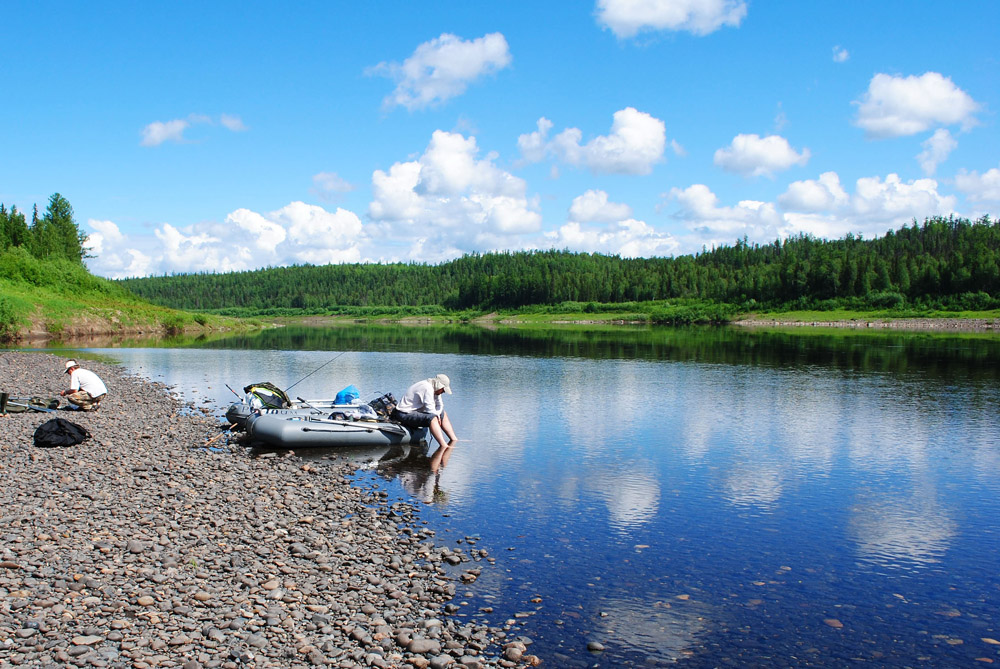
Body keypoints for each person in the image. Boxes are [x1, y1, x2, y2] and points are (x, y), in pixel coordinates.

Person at [391, 373, 459, 448]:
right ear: (439, 386)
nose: (443, 392)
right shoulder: (427, 387)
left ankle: (454, 439)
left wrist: (439, 415)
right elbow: (429, 409)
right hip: (404, 413)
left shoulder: (435, 389)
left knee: (443, 413)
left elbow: (440, 405)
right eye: (443, 390)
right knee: (433, 418)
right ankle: (443, 445)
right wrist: (437, 416)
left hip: (415, 411)